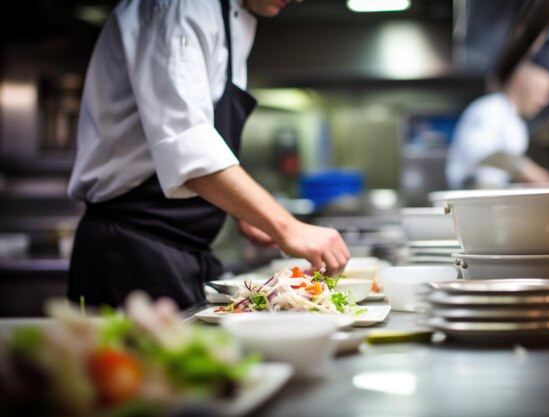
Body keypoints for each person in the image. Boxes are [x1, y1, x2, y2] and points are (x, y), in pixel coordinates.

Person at [67, 0, 350, 309]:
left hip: (179, 255)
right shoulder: (180, 6)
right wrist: (286, 226)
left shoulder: (236, 18)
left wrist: (246, 210)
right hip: (129, 254)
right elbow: (188, 145)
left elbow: (197, 139)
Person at [445, 45, 549, 189]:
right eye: (541, 91)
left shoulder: (517, 124)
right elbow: (479, 152)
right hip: (469, 195)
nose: (544, 101)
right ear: (519, 80)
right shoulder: (490, 109)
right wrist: (528, 170)